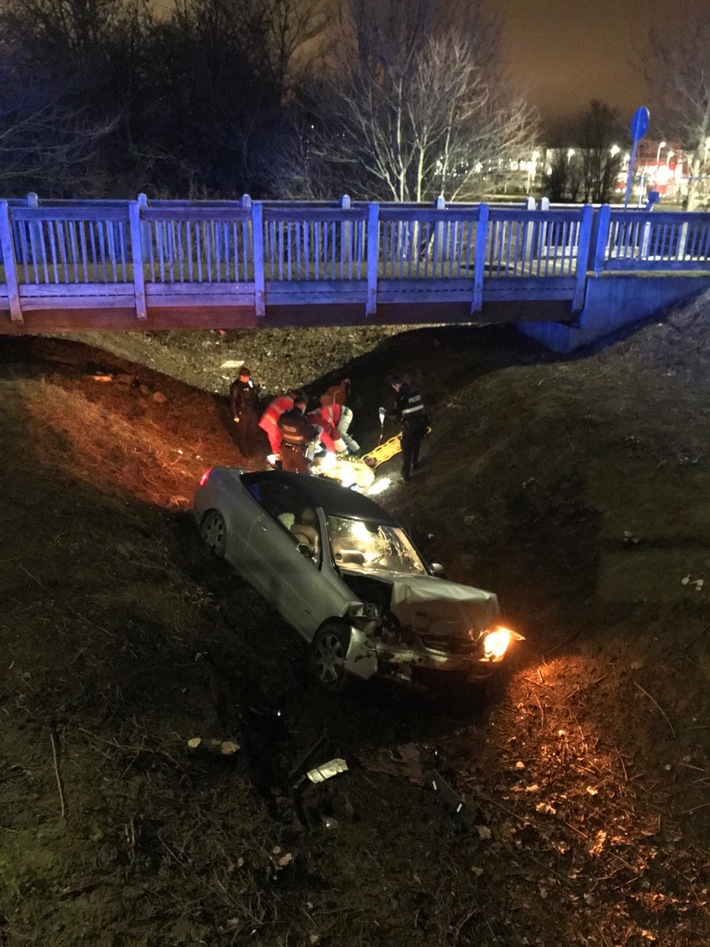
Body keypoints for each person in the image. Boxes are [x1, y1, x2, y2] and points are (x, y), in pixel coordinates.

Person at [389, 374, 429, 483]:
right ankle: (415, 464)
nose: (395, 390)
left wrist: (387, 414)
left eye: (394, 387)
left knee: (406, 449)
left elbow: (397, 414)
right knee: (416, 443)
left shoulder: (401, 395)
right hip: (422, 422)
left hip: (411, 425)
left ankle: (406, 476)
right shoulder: (415, 390)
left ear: (396, 385)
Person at [277, 396, 321, 475]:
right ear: (302, 406)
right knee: (304, 475)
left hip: (285, 450)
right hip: (297, 452)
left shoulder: (284, 417)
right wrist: (316, 433)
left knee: (288, 475)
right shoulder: (302, 420)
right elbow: (308, 436)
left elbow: (280, 425)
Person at [258, 388, 301, 465]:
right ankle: (278, 462)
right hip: (275, 424)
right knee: (276, 444)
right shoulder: (292, 405)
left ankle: (277, 461)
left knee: (273, 441)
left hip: (267, 420)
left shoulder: (281, 398)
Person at [228, 366, 260, 455]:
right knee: (242, 433)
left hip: (252, 411)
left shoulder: (250, 383)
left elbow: (254, 393)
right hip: (242, 412)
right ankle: (244, 451)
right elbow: (233, 401)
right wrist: (235, 415)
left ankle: (251, 450)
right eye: (246, 377)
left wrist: (259, 388)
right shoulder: (235, 386)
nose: (247, 379)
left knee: (252, 431)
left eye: (248, 377)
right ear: (241, 376)